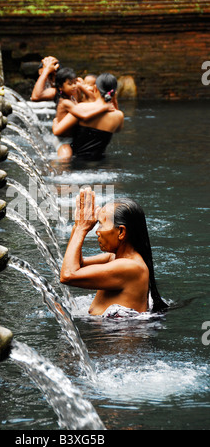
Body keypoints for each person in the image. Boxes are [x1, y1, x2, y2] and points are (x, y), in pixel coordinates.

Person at [60, 187, 168, 316]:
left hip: (115, 334)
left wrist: (81, 229)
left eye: (101, 224)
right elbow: (77, 264)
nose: (97, 231)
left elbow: (68, 275)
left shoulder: (130, 267)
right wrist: (78, 224)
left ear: (121, 232)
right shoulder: (114, 258)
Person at [52, 73, 124, 161]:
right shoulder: (119, 115)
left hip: (75, 162)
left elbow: (58, 131)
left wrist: (55, 121)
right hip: (99, 162)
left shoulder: (82, 108)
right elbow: (117, 129)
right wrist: (114, 100)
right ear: (114, 92)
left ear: (95, 89)